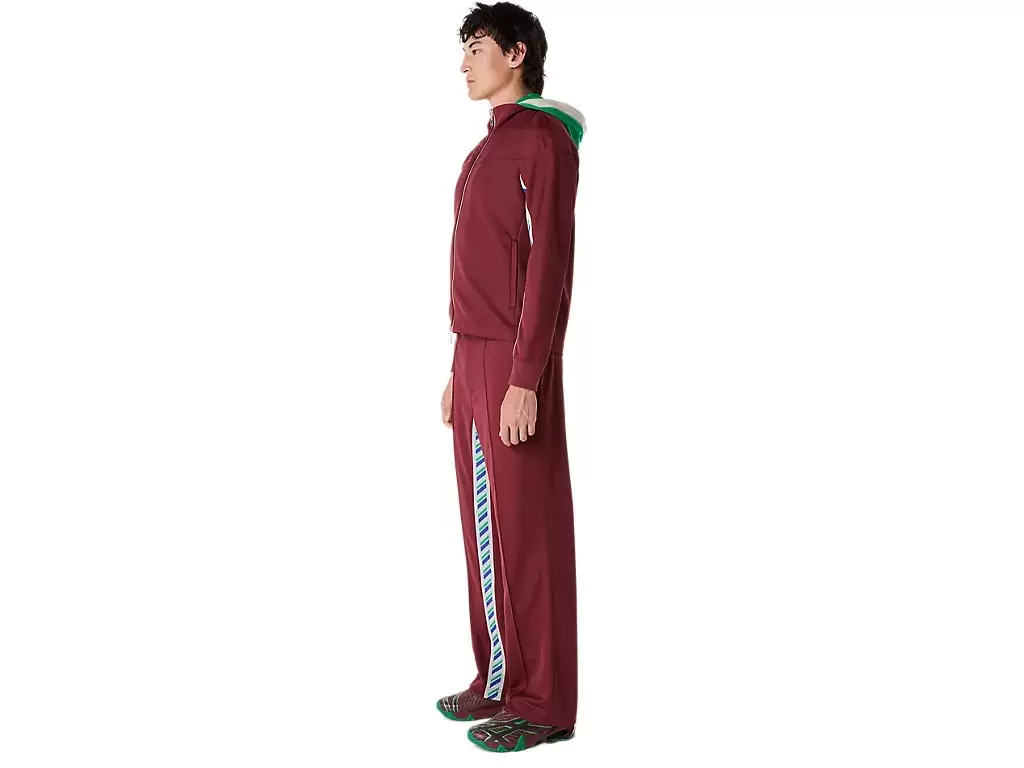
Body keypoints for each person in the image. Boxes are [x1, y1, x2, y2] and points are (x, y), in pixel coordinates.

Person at [435, 1, 587, 754]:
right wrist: (455, 367)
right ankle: (498, 678)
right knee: (484, 526)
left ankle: (545, 701)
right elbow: (479, 266)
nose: (464, 62)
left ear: (517, 53)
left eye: (477, 47)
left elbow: (549, 264)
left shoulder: (542, 140)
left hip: (514, 359)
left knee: (529, 531)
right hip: (473, 356)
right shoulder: (483, 150)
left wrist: (525, 376)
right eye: (464, 49)